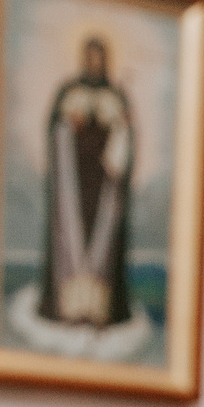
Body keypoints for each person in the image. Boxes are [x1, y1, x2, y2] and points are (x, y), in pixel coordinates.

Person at [42, 36, 135, 328]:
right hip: (73, 184)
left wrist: (117, 127)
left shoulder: (116, 95)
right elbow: (55, 129)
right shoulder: (69, 91)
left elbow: (127, 139)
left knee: (104, 236)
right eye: (90, 57)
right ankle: (66, 306)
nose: (94, 63)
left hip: (104, 186)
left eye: (99, 57)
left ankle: (100, 309)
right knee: (70, 235)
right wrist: (70, 123)